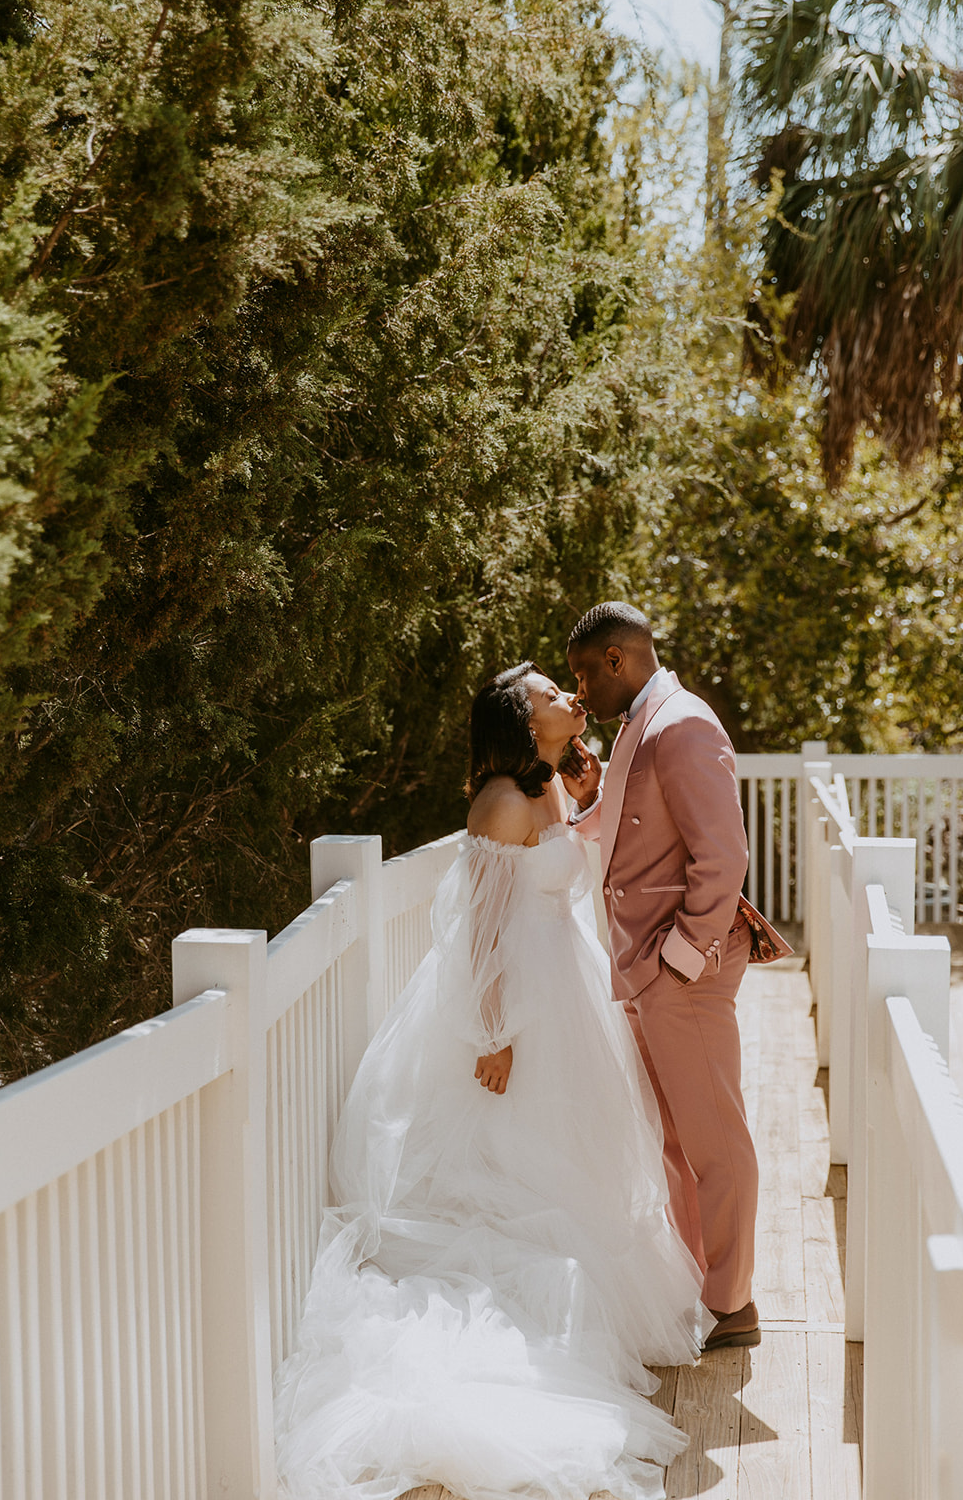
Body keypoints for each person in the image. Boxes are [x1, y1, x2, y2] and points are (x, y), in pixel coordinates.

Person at [274, 662, 710, 1500]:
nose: (567, 699)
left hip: (565, 988)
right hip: (517, 1001)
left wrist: (582, 793)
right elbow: (476, 928)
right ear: (520, 715)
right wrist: (493, 1031)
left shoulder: (547, 790)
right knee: (508, 1160)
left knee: (574, 1149)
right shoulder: (500, 802)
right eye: (551, 694)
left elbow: (569, 864)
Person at [562, 602, 761, 1351]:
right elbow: (628, 830)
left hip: (682, 969)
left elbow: (722, 857)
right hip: (646, 967)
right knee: (678, 1142)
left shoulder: (681, 724)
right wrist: (588, 790)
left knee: (715, 1140)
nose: (579, 691)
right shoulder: (637, 729)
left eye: (585, 671)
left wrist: (678, 960)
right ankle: (700, 1290)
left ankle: (731, 1304)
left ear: (618, 659)